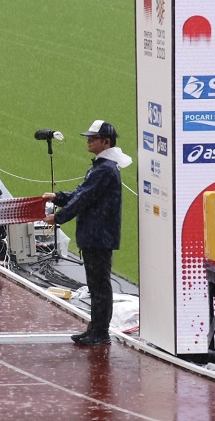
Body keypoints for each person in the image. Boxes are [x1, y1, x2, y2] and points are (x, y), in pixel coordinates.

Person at [42, 120, 132, 346]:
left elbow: (84, 198)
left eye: (93, 138)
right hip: (96, 235)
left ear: (106, 142)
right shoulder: (102, 167)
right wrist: (59, 197)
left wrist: (59, 217)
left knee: (100, 286)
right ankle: (95, 328)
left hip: (99, 236)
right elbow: (81, 192)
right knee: (96, 286)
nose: (88, 140)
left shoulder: (104, 170)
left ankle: (100, 332)